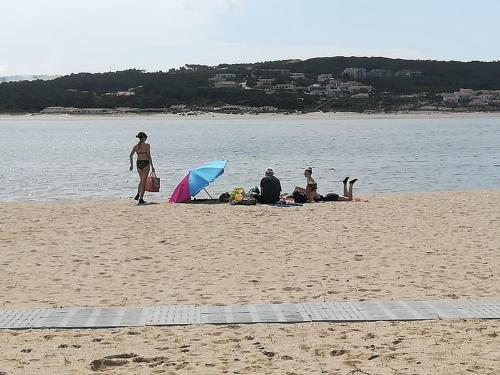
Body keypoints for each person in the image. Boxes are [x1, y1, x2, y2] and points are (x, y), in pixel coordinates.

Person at [129, 132, 155, 204]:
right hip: (146, 163)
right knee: (144, 181)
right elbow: (149, 156)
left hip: (139, 163)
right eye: (145, 138)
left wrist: (131, 165)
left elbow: (131, 155)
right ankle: (141, 198)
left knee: (142, 180)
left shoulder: (136, 146)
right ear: (143, 138)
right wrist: (152, 166)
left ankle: (138, 193)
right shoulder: (147, 145)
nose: (146, 139)